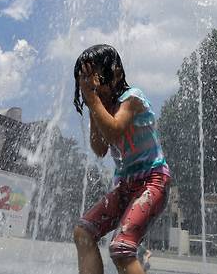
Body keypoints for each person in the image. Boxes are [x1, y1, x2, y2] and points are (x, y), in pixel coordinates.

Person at [72, 44, 171, 274]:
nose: (93, 86)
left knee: (121, 248)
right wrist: (93, 106)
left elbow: (115, 130)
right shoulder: (102, 107)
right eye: (86, 80)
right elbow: (99, 149)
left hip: (153, 182)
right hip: (126, 185)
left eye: (96, 77)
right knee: (83, 232)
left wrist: (93, 101)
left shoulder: (132, 98)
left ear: (115, 73)